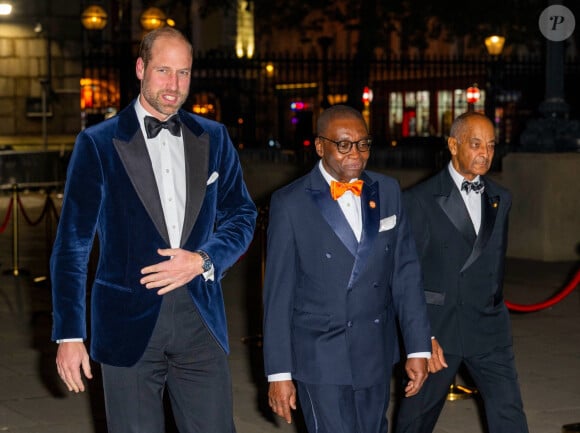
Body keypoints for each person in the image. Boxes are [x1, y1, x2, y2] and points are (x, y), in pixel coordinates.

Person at [50, 27, 257, 433]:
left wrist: (203, 259)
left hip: (200, 321)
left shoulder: (213, 137)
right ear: (141, 68)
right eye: (164, 71)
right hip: (126, 325)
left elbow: (242, 215)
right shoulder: (97, 143)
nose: (174, 85)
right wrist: (69, 334)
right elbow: (72, 246)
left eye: (183, 73)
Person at [262, 104, 432, 433]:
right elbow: (278, 295)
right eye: (343, 144)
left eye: (363, 143)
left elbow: (406, 276)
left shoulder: (388, 191)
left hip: (375, 351)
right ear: (320, 145)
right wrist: (279, 373)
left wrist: (418, 346)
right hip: (320, 355)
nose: (355, 154)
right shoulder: (290, 203)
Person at [395, 111, 528, 433]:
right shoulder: (420, 200)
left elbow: (492, 265)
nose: (485, 153)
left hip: (489, 327)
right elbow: (404, 273)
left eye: (491, 145)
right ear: (453, 145)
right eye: (476, 144)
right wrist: (421, 337)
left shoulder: (501, 198)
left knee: (509, 414)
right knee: (416, 419)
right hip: (439, 330)